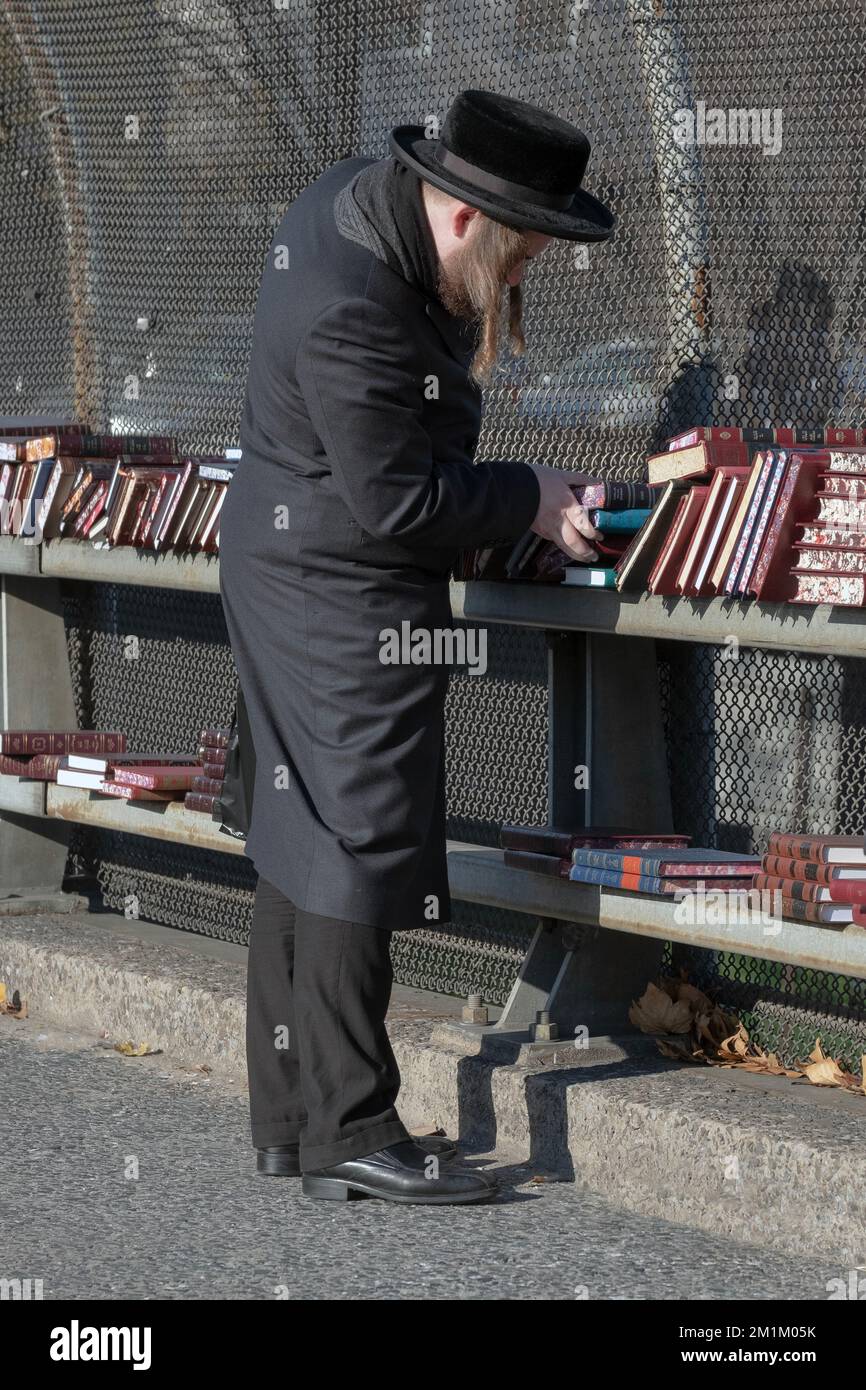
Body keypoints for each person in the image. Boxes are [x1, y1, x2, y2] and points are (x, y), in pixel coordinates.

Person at [218, 89, 615, 1205]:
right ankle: (351, 1121)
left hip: (287, 557)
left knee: (299, 833)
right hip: (331, 580)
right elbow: (394, 500)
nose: (521, 275)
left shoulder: (358, 202)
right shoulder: (350, 300)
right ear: (459, 219)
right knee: (359, 833)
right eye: (520, 252)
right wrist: (526, 497)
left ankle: (293, 1121)